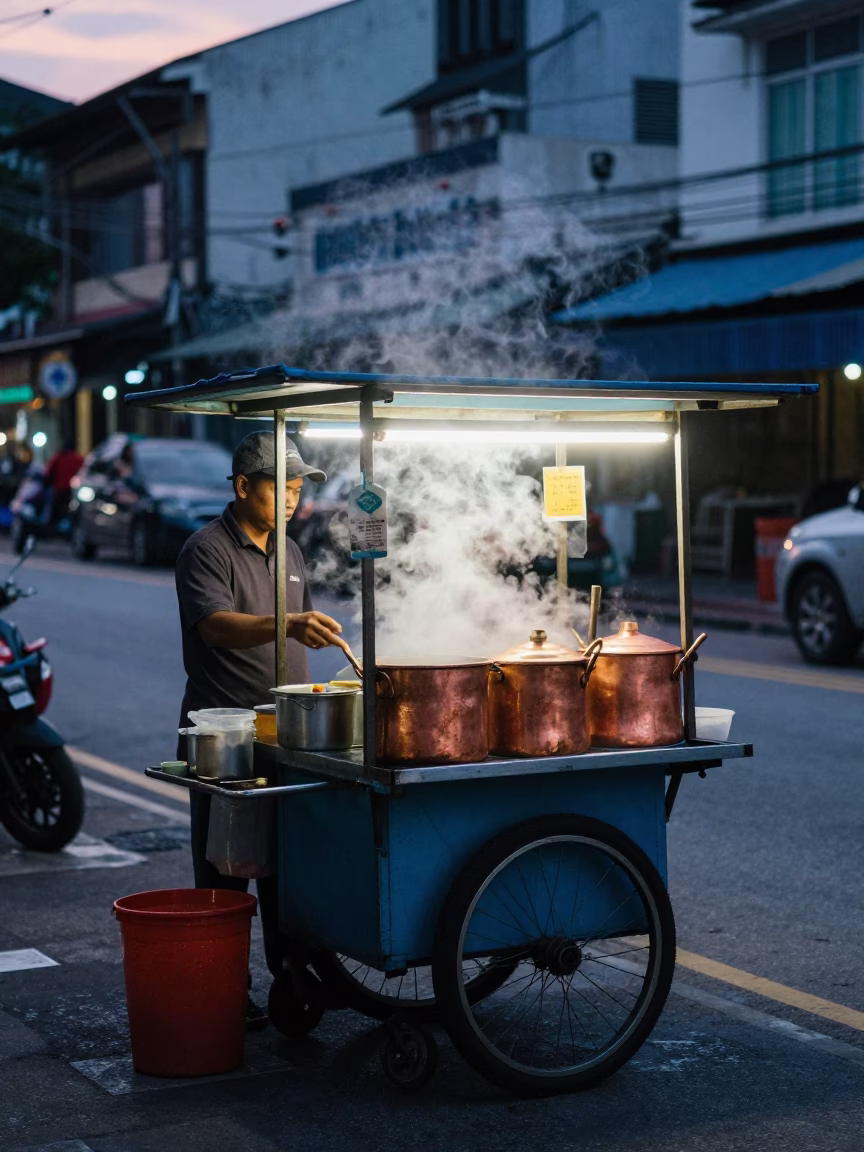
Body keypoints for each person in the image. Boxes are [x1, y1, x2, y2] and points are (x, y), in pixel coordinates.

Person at [174, 430, 345, 1027]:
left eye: (300, 487)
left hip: (285, 737)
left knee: (287, 870)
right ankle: (221, 985)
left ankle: (289, 978)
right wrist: (290, 623)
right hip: (226, 742)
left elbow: (295, 629)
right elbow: (216, 626)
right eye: (283, 486)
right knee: (225, 874)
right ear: (245, 486)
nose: (294, 498)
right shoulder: (206, 549)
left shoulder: (291, 552)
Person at [43, 439, 84, 525]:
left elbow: (48, 472)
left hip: (60, 489)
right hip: (73, 491)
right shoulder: (79, 458)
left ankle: (49, 526)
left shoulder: (58, 457)